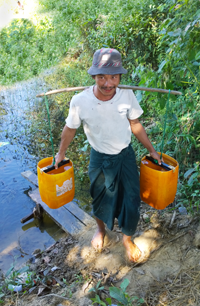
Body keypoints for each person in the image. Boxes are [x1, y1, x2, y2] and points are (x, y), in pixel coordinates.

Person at [55, 48, 162, 263]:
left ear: (120, 77)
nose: (108, 83)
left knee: (131, 199)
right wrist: (61, 153)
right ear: (93, 76)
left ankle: (127, 238)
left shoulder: (126, 95)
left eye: (113, 77)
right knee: (100, 198)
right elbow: (70, 129)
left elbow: (135, 124)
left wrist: (151, 150)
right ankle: (101, 230)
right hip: (99, 158)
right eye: (101, 77)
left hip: (125, 156)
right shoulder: (80, 101)